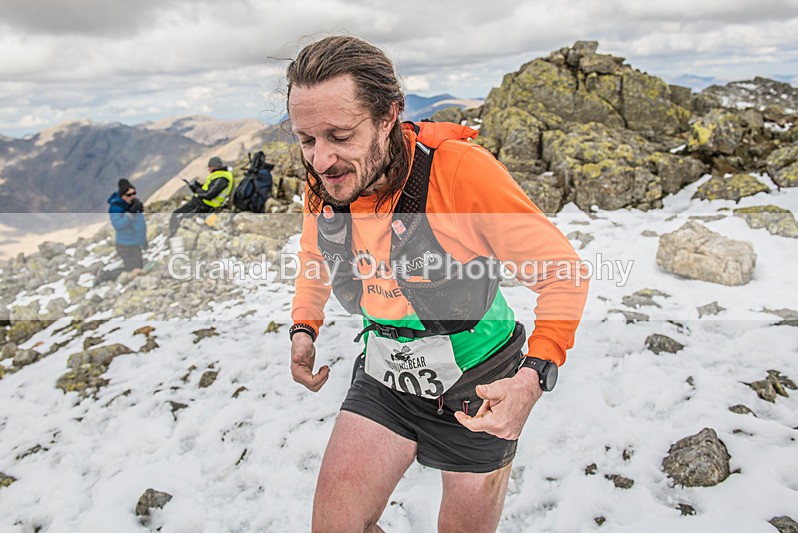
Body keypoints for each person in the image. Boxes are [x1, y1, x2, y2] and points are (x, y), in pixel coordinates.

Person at [287, 36, 589, 532]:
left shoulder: (459, 174)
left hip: (479, 379)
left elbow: (563, 273)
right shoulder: (328, 181)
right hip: (386, 367)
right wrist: (305, 326)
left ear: (389, 116)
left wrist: (532, 377)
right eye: (306, 139)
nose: (321, 161)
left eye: (340, 135)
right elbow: (316, 254)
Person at [96, 178, 147, 285]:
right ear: (122, 196)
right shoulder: (116, 207)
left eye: (134, 193)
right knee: (130, 271)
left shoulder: (133, 205)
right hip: (125, 245)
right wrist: (131, 214)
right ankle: (105, 276)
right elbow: (118, 225)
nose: (132, 196)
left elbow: (139, 224)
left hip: (135, 243)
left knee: (138, 269)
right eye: (129, 195)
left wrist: (143, 239)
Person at [168, 156, 233, 236]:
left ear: (214, 167)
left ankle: (173, 237)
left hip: (204, 205)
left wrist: (196, 189)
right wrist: (198, 186)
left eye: (209, 167)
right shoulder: (219, 175)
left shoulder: (221, 178)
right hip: (202, 203)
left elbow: (209, 194)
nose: (208, 169)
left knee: (177, 216)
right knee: (177, 215)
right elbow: (209, 190)